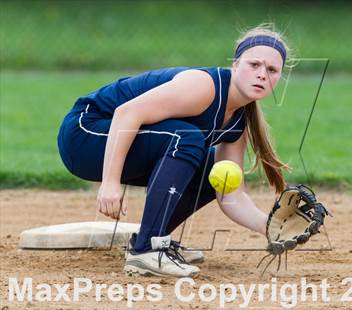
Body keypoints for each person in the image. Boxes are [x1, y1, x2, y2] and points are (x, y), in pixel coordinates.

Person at [57, 23, 290, 277]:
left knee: (215, 171)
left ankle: (151, 239)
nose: (262, 74)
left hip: (117, 140)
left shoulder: (238, 121)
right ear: (235, 65)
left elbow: (229, 194)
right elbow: (126, 114)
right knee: (188, 138)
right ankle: (148, 250)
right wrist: (110, 183)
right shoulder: (206, 87)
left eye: (272, 70)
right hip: (86, 134)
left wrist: (272, 226)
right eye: (253, 65)